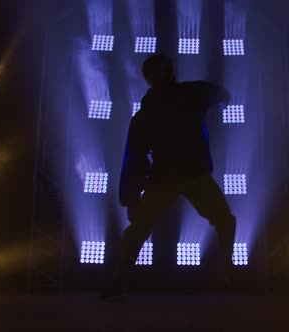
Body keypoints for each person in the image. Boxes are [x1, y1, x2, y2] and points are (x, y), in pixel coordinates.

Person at [101, 55, 236, 300]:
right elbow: (136, 156)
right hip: (177, 177)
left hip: (184, 176)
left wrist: (131, 199)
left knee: (224, 221)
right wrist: (131, 199)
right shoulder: (176, 101)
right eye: (159, 72)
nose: (163, 76)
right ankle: (117, 283)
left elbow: (135, 157)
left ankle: (226, 273)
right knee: (139, 232)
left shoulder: (184, 96)